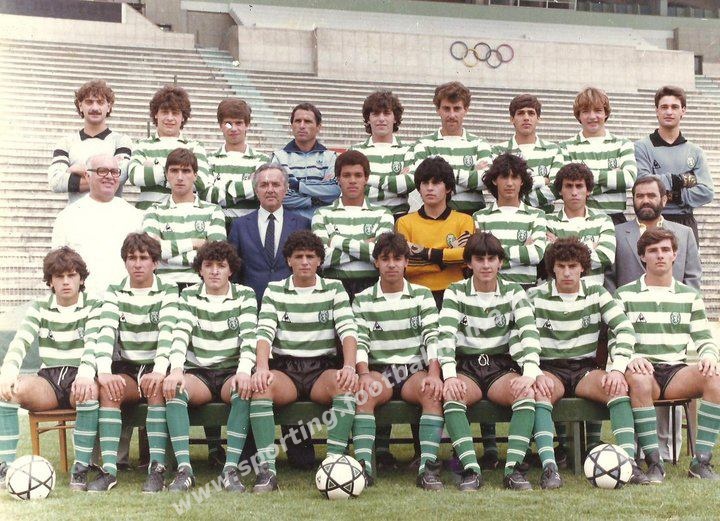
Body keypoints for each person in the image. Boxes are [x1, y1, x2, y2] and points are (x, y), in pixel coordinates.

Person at [527, 237, 649, 488]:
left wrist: (617, 369)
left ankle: (628, 463)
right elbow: (520, 335)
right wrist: (534, 371)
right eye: (561, 266)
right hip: (549, 368)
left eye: (572, 266)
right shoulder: (534, 296)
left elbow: (625, 329)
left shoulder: (597, 293)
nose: (567, 272)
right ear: (552, 268)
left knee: (617, 387)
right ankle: (550, 468)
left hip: (584, 369)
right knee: (540, 393)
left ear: (582, 267)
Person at [248, 230, 358, 493]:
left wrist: (349, 366)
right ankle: (267, 471)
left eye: (311, 256)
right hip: (286, 368)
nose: (305, 262)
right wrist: (261, 367)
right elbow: (264, 332)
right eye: (299, 256)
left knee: (344, 384)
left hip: (321, 368)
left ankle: (333, 465)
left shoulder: (334, 288)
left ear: (320, 260)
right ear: (289, 260)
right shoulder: (275, 289)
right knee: (261, 387)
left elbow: (348, 330)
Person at [606, 175, 701, 462]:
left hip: (670, 326)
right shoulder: (617, 233)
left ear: (664, 199)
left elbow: (692, 277)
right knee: (639, 382)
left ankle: (669, 449)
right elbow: (609, 278)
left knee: (673, 381)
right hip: (629, 327)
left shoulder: (683, 233)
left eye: (651, 195)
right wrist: (617, 315)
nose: (645, 200)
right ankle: (641, 449)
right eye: (639, 196)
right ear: (632, 200)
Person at [438, 232, 540, 490]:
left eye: (491, 258)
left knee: (525, 393)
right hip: (467, 366)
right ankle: (471, 470)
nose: (486, 265)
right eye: (479, 259)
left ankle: (513, 470)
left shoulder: (514, 291)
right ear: (469, 263)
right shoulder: (455, 291)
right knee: (452, 395)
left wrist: (529, 372)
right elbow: (446, 336)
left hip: (500, 366)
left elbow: (529, 331)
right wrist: (449, 375)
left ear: (500, 262)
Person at [619, 228, 720, 481]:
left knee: (715, 377)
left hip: (676, 372)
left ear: (675, 254)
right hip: (644, 371)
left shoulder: (690, 296)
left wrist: (709, 356)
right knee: (639, 379)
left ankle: (701, 462)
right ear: (643, 256)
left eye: (665, 250)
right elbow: (615, 338)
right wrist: (631, 357)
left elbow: (705, 339)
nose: (660, 255)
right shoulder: (624, 294)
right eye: (653, 251)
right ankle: (654, 463)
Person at [80, 233, 177, 492]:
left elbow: (168, 331)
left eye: (144, 258)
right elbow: (106, 332)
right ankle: (109, 471)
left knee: (156, 389)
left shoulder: (168, 289)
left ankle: (157, 469)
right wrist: (103, 372)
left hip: (157, 365)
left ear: (155, 262)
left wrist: (160, 370)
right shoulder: (114, 290)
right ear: (125, 262)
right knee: (109, 390)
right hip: (128, 368)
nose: (137, 264)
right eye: (132, 258)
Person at [160, 241, 257, 492]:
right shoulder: (189, 295)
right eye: (209, 265)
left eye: (221, 266)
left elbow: (249, 338)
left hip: (231, 371)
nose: (215, 271)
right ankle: (185, 470)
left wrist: (244, 371)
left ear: (231, 270)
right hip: (199, 373)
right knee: (174, 389)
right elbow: (180, 333)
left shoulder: (245, 295)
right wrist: (176, 369)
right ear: (200, 269)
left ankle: (230, 470)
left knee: (243, 390)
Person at [0, 248, 100, 490]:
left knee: (88, 393)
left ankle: (81, 468)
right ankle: (5, 467)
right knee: (8, 391)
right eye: (59, 276)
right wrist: (8, 371)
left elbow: (93, 345)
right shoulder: (39, 307)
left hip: (81, 375)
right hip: (49, 381)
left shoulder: (94, 305)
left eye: (71, 275)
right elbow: (21, 341)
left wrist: (86, 375)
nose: (65, 282)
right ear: (50, 281)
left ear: (81, 278)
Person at [351, 232, 444, 489]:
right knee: (364, 394)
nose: (391, 264)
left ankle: (427, 467)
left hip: (413, 370)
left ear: (406, 262)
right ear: (376, 262)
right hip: (380, 371)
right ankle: (364, 468)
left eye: (397, 258)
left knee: (432, 392)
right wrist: (363, 374)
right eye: (385, 259)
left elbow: (432, 337)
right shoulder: (362, 299)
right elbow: (361, 342)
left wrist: (433, 374)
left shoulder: (422, 295)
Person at [51, 154, 144, 298]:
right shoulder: (67, 217)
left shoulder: (135, 216)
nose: (109, 176)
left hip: (124, 301)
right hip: (84, 302)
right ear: (87, 176)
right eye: (102, 171)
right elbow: (57, 265)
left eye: (114, 172)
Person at [311, 150, 394, 300]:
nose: (352, 180)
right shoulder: (321, 214)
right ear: (338, 179)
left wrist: (336, 241)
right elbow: (321, 259)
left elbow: (382, 256)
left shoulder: (383, 214)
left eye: (358, 175)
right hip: (333, 287)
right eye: (346, 175)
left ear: (366, 178)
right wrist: (366, 246)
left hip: (372, 287)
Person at [634, 85, 714, 241]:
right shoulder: (641, 147)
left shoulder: (695, 152)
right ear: (657, 110)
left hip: (686, 221)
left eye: (674, 107)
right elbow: (643, 182)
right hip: (653, 221)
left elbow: (706, 192)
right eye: (664, 107)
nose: (669, 112)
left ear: (683, 110)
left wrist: (676, 196)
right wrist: (679, 180)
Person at [396, 156, 474, 309]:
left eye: (436, 183)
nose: (430, 188)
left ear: (448, 188)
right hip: (416, 296)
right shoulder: (404, 222)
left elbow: (464, 256)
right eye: (425, 183)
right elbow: (408, 264)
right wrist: (447, 258)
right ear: (419, 188)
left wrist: (424, 252)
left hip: (455, 294)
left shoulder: (465, 220)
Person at [229, 164, 311, 305]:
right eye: (264, 185)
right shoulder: (239, 226)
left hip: (292, 304)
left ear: (286, 189)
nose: (270, 190)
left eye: (276, 184)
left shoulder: (302, 224)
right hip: (251, 305)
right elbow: (233, 270)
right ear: (256, 190)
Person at [143, 148, 226, 286]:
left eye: (186, 171)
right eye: (174, 170)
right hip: (164, 287)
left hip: (200, 286)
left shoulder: (213, 211)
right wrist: (195, 243)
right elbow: (151, 252)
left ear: (195, 175)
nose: (180, 177)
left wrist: (166, 255)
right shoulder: (154, 211)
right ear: (166, 174)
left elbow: (216, 255)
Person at [405, 81, 491, 215]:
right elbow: (420, 183)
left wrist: (441, 180)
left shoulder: (480, 144)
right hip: (436, 217)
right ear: (438, 110)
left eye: (457, 108)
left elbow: (486, 180)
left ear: (466, 110)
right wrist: (471, 175)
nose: (451, 115)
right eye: (446, 108)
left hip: (472, 215)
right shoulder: (423, 144)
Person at [48, 79, 132, 205]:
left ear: (108, 107)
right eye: (89, 102)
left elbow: (120, 176)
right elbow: (56, 182)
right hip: (77, 214)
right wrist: (104, 176)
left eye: (100, 102)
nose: (95, 107)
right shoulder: (66, 142)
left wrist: (77, 169)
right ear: (80, 106)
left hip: (111, 214)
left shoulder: (121, 141)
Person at [561, 87, 636, 224]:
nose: (592, 116)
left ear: (606, 113)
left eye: (598, 110)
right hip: (579, 219)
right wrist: (613, 179)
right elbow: (567, 187)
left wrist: (585, 177)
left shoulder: (623, 144)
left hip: (615, 219)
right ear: (578, 115)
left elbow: (629, 178)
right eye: (585, 111)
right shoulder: (565, 147)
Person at [128, 85, 209, 210]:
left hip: (183, 214)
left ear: (183, 117)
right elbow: (134, 176)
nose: (170, 118)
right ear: (156, 114)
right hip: (147, 212)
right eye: (165, 112)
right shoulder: (141, 145)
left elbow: (201, 182)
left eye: (175, 113)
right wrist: (182, 176)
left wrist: (154, 169)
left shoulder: (195, 147)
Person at [473, 153, 547, 288]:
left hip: (526, 288)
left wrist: (494, 254)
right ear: (494, 180)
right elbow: (479, 258)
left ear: (522, 181)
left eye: (515, 177)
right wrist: (523, 251)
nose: (509, 183)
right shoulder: (479, 217)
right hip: (491, 289)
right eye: (504, 177)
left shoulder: (537, 215)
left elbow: (536, 254)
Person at [546, 163, 616, 287]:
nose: (574, 192)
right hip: (558, 293)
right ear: (560, 191)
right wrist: (589, 246)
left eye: (579, 186)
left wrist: (558, 244)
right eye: (569, 186)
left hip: (593, 293)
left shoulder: (603, 220)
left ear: (588, 190)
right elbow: (549, 258)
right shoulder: (548, 221)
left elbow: (606, 257)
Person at [492, 94, 564, 213]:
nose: (526, 118)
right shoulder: (498, 151)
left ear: (538, 118)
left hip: (545, 218)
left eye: (531, 113)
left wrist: (516, 200)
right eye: (520, 113)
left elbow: (557, 188)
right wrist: (542, 180)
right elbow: (495, 187)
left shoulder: (554, 150)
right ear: (512, 119)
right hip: (508, 217)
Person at [205, 98, 270, 227]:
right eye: (228, 123)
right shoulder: (208, 160)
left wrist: (221, 189)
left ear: (247, 125)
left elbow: (262, 193)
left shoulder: (262, 160)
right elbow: (208, 195)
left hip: (250, 228)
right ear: (220, 126)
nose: (233, 128)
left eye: (239, 123)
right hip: (217, 227)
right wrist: (248, 186)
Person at [349, 90, 413, 218]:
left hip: (398, 218)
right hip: (365, 219)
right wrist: (395, 186)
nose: (381, 119)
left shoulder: (408, 150)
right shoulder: (355, 151)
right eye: (376, 114)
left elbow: (408, 184)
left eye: (387, 113)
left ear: (395, 118)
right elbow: (352, 189)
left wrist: (366, 179)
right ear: (368, 119)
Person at [270, 103, 339, 220]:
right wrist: (314, 198)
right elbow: (277, 195)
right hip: (289, 223)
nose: (302, 126)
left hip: (323, 223)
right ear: (292, 125)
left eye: (307, 121)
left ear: (318, 127)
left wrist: (297, 186)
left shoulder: (331, 157)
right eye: (298, 121)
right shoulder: (279, 157)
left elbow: (335, 190)